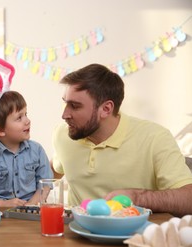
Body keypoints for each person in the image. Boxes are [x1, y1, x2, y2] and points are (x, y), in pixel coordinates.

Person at [51, 63, 192, 217]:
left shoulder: (155, 138)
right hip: (75, 233)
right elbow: (53, 170)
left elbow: (188, 199)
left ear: (106, 109)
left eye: (75, 106)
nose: (64, 114)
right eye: (66, 103)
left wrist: (137, 197)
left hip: (134, 236)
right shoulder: (64, 134)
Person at [0, 56, 53, 208]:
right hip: (0, 218)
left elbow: (46, 185)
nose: (27, 121)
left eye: (26, 114)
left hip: (31, 214)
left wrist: (29, 206)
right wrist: (3, 203)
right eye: (19, 118)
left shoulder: (37, 151)